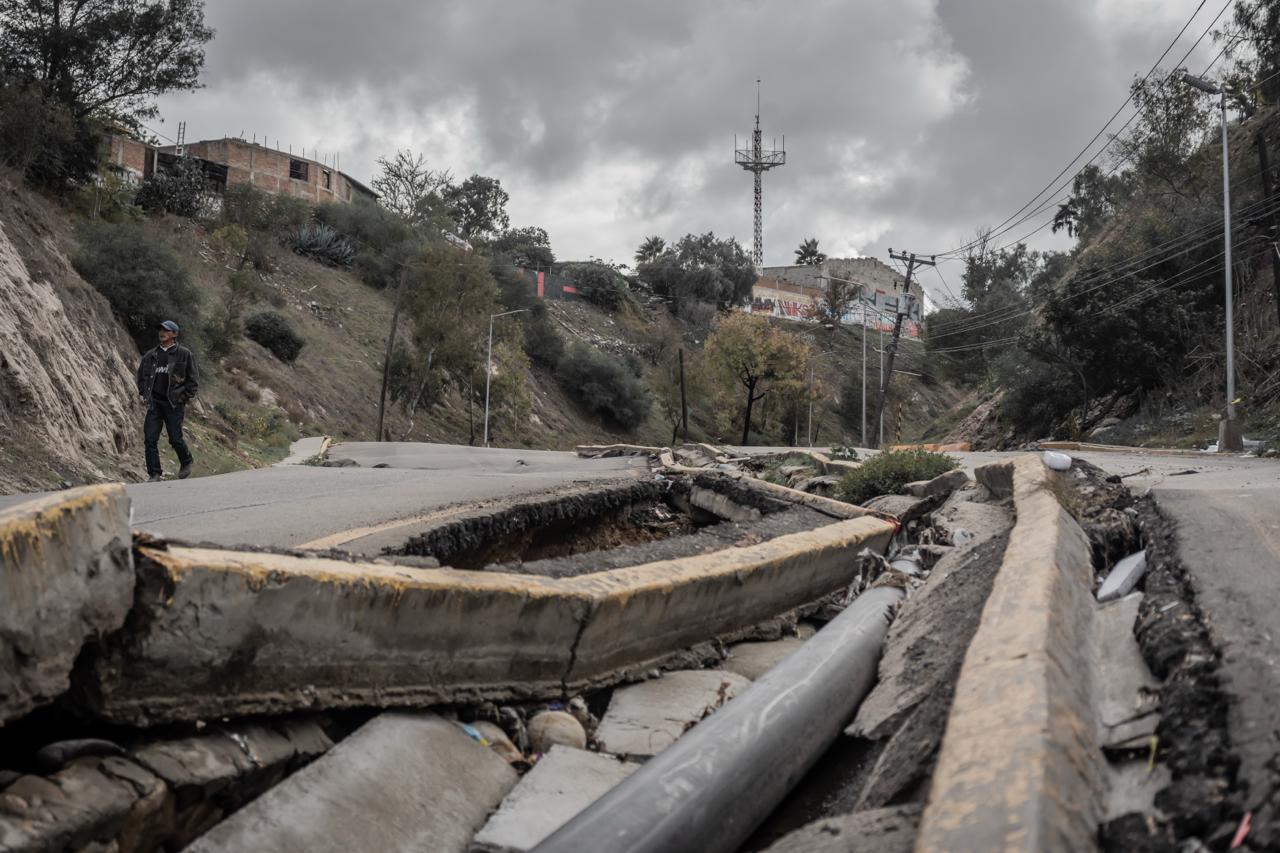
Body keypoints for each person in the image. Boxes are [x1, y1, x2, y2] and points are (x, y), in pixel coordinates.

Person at [136, 320, 199, 482]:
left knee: (175, 438)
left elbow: (193, 381)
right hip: (154, 403)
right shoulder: (150, 355)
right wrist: (144, 393)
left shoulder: (184, 354)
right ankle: (154, 473)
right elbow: (141, 377)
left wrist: (182, 398)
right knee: (150, 439)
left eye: (166, 330)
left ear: (174, 334)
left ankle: (186, 461)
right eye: (161, 329)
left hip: (173, 404)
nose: (162, 332)